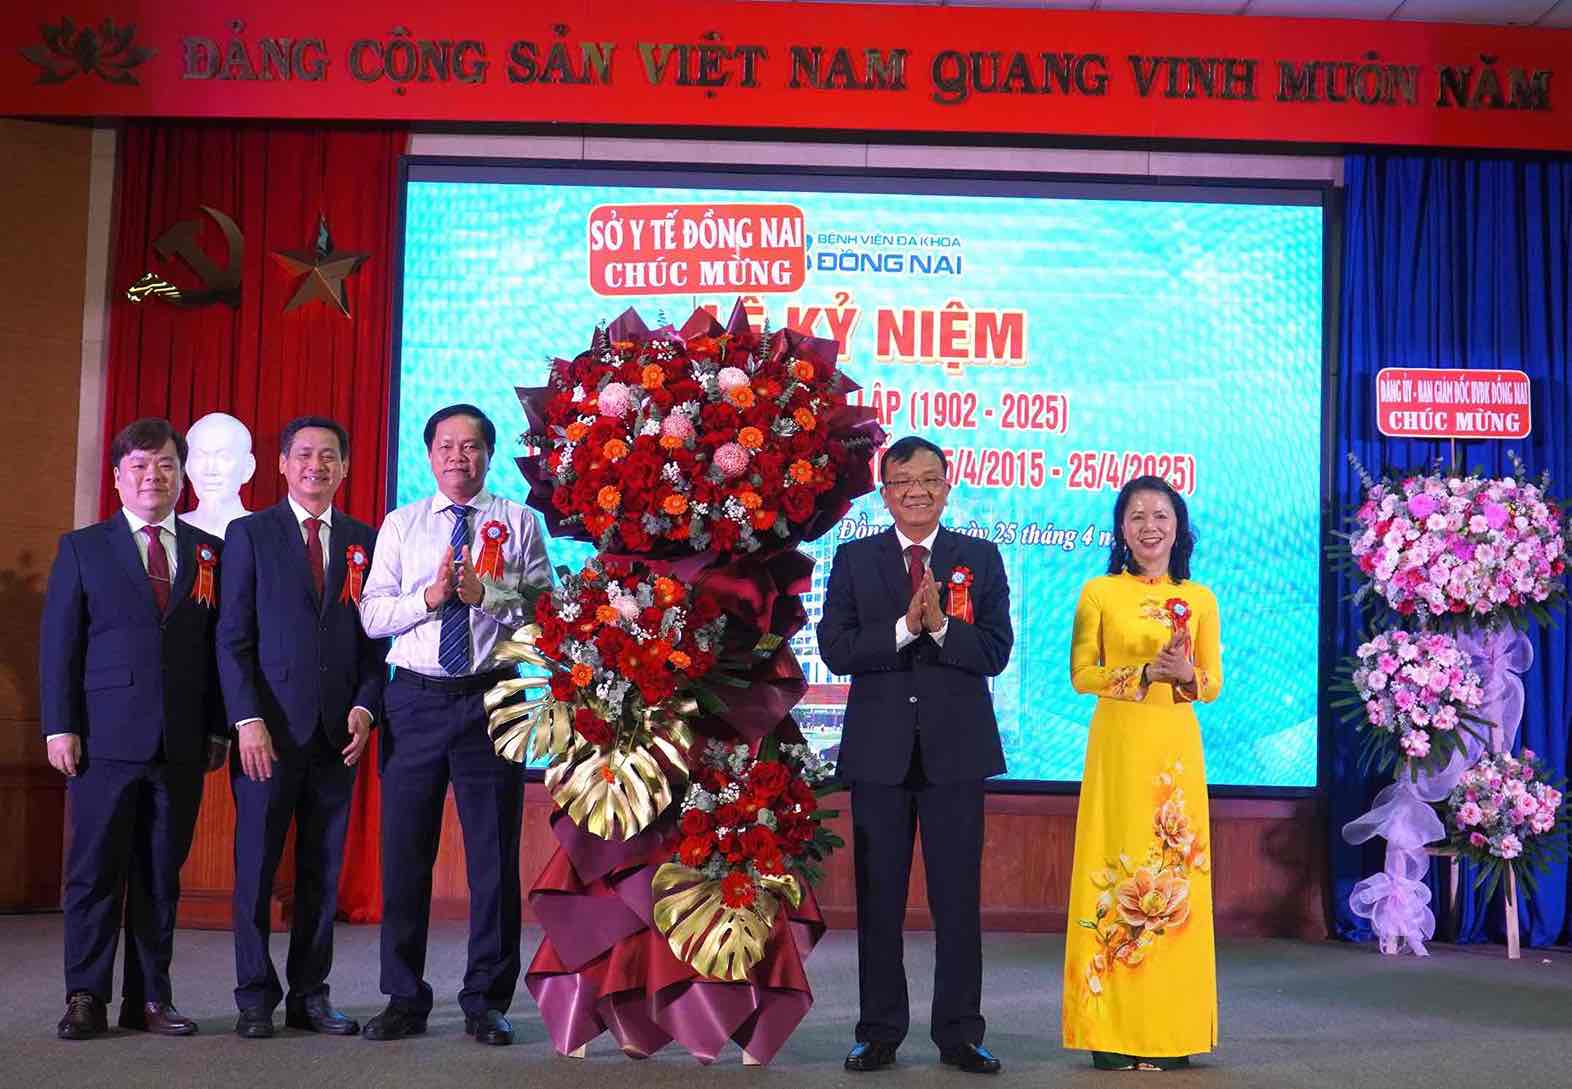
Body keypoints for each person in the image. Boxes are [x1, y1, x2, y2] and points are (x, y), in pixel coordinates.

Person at [817, 435, 1013, 1076]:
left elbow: (993, 653)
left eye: (930, 479)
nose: (917, 492)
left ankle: (960, 1033)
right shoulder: (854, 559)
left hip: (956, 755)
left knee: (958, 901)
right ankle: (878, 1032)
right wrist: (904, 629)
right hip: (880, 757)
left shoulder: (977, 559)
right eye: (903, 482)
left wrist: (942, 628)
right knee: (879, 901)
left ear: (948, 484)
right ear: (885, 492)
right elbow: (837, 650)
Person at [358, 403, 552, 1045]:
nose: (457, 457)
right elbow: (373, 615)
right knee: (405, 853)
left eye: (470, 447)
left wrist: (485, 597)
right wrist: (434, 598)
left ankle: (486, 1000)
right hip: (413, 701)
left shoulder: (519, 522)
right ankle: (403, 998)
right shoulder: (402, 524)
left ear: (489, 455)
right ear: (429, 453)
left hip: (490, 700)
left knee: (493, 859)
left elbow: (546, 614)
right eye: (445, 446)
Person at [40, 417, 230, 1040]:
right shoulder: (83, 548)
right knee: (94, 873)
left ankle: (150, 998)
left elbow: (218, 649)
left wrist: (219, 728)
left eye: (167, 465)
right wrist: (59, 727)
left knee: (159, 874)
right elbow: (60, 646)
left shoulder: (210, 551)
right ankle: (85, 996)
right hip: (102, 742)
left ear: (181, 475)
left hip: (180, 743)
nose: (155, 477)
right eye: (141, 467)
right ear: (119, 476)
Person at [216, 415, 388, 1039]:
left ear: (345, 468)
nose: (316, 466)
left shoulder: (364, 540)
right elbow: (231, 638)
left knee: (322, 869)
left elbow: (375, 646)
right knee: (256, 869)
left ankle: (310, 994)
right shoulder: (249, 534)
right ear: (284, 464)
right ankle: (254, 996)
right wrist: (247, 719)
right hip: (268, 734)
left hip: (336, 738)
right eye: (304, 455)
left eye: (330, 456)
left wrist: (367, 710)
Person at [1061, 475, 1222, 1072]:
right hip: (1118, 746)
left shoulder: (1200, 599)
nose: (1149, 526)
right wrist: (1142, 674)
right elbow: (1082, 674)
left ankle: (1169, 1032)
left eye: (1161, 515)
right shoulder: (1099, 592)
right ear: (1121, 529)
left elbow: (1210, 684)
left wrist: (1181, 675)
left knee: (1174, 879)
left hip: (1174, 751)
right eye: (1136, 517)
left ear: (1178, 527)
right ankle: (1110, 1032)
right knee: (1114, 872)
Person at [180, 411, 255, 538]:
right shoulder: (170, 531)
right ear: (186, 465)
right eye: (199, 456)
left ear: (248, 468)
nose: (210, 470)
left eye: (223, 457)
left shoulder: (267, 531)